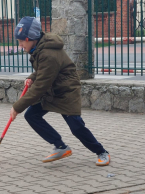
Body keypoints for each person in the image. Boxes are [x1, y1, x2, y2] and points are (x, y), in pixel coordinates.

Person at [10, 17, 110, 166]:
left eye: (22, 40)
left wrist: (17, 107)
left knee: (76, 127)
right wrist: (31, 77)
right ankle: (60, 146)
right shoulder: (39, 48)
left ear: (31, 38)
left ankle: (101, 152)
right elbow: (43, 71)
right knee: (32, 115)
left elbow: (40, 86)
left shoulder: (48, 53)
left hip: (66, 91)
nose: (20, 44)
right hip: (53, 90)